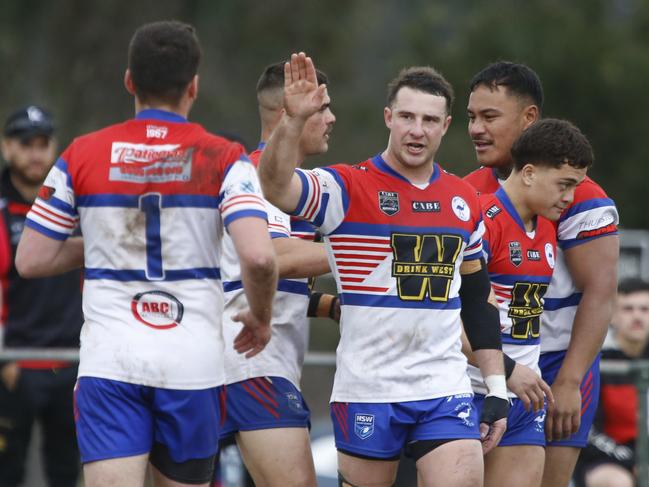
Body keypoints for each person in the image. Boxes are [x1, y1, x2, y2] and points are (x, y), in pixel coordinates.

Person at [14, 21, 278, 487]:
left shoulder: (81, 154)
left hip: (110, 362)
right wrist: (260, 316)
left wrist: (105, 247)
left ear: (129, 81)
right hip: (191, 365)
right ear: (193, 86)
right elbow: (258, 258)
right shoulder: (224, 157)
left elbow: (31, 259)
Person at [258, 52, 510, 487]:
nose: (417, 130)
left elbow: (476, 299)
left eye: (430, 120)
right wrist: (293, 121)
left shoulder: (463, 200)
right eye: (408, 117)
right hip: (368, 391)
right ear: (388, 118)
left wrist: (497, 387)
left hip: (443, 389)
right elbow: (277, 186)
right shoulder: (346, 187)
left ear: (446, 126)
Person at [465, 61, 619, 487]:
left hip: (556, 364)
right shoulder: (468, 192)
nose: (477, 129)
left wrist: (569, 380)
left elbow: (602, 292)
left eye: (490, 117)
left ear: (528, 118)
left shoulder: (579, 197)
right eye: (471, 117)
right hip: (483, 363)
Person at [218, 62, 336, 487]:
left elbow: (274, 286)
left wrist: (331, 307)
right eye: (322, 107)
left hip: (253, 363)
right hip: (253, 366)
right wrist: (367, 249)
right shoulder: (253, 177)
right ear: (290, 110)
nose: (331, 119)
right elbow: (275, 257)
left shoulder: (293, 187)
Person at [0, 105, 83, 486]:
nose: (35, 153)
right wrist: (5, 362)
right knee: (8, 471)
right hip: (13, 364)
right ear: (7, 147)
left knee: (67, 471)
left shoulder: (74, 204)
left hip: (73, 364)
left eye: (43, 143)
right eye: (25, 143)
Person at [574, 278, 649, 487]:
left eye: (645, 309)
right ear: (613, 316)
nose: (637, 316)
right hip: (604, 460)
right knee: (618, 483)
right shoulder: (598, 363)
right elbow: (587, 430)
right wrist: (634, 461)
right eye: (628, 309)